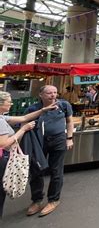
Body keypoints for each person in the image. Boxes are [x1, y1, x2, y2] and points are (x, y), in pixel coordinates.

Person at [0, 91, 57, 219]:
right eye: (9, 101)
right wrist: (22, 130)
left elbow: (24, 118)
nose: (11, 103)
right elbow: (4, 144)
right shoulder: (0, 121)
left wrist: (43, 110)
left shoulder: (3, 117)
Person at [25, 85, 74, 217]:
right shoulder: (33, 109)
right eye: (49, 93)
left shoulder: (64, 105)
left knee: (56, 170)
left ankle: (53, 199)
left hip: (58, 140)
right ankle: (37, 200)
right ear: (41, 95)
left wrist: (69, 138)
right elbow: (25, 123)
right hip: (39, 141)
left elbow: (69, 121)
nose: (53, 95)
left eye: (55, 92)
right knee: (36, 170)